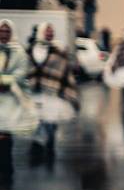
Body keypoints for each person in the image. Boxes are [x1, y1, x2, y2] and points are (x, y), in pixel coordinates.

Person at [26, 22, 79, 159]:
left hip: (52, 93)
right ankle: (36, 146)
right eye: (47, 31)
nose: (50, 34)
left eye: (51, 31)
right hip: (35, 92)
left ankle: (50, 146)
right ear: (41, 32)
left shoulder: (58, 51)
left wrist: (65, 89)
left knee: (50, 120)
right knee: (36, 119)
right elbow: (26, 67)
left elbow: (64, 69)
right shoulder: (31, 49)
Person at [0, 19, 38, 181]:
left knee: (5, 134)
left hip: (11, 99)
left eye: (7, 31)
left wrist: (4, 81)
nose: (4, 34)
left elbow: (21, 72)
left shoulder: (19, 52)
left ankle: (6, 169)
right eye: (2, 31)